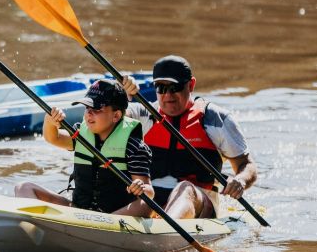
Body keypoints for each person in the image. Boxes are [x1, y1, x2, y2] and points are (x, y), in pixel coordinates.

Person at [120, 55, 258, 219]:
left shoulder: (216, 119)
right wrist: (122, 95)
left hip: (199, 202)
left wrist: (240, 181)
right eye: (161, 88)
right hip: (150, 199)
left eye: (174, 87)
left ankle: (166, 230)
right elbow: (106, 117)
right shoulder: (143, 114)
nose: (168, 95)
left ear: (191, 85)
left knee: (184, 188)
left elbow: (246, 164)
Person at [14, 79, 155, 215]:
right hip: (78, 210)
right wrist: (49, 120)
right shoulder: (80, 133)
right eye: (87, 107)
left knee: (147, 203)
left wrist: (141, 187)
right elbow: (53, 138)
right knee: (23, 188)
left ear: (116, 115)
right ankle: (36, 224)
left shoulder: (134, 146)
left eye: (97, 108)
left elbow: (149, 192)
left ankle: (102, 226)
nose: (89, 113)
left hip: (115, 217)